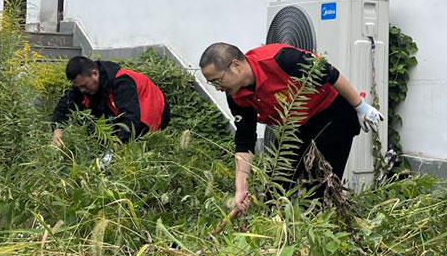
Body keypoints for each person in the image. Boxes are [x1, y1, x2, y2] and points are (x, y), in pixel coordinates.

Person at [199, 42, 383, 215]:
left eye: (218, 81)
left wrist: (360, 107)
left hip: (332, 114)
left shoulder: (282, 59)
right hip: (294, 124)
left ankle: (318, 225)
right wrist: (241, 188)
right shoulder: (235, 94)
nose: (217, 88)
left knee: (320, 185)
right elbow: (245, 140)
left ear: (236, 66)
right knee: (276, 185)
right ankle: (274, 228)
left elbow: (330, 73)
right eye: (212, 83)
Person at [51, 56, 170, 155]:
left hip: (152, 108)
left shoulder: (122, 82)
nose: (82, 90)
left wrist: (114, 148)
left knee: (136, 146)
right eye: (78, 87)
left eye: (84, 86)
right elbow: (64, 106)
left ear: (95, 74)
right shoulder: (85, 82)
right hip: (124, 112)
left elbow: (131, 119)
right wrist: (57, 130)